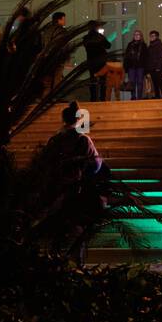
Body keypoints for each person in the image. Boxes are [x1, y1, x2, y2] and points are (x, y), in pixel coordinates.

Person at [43, 101, 108, 263]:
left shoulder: (55, 140)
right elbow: (95, 164)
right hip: (77, 190)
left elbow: (45, 163)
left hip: (57, 190)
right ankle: (76, 265)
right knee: (76, 229)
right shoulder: (82, 139)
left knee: (56, 229)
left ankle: (53, 262)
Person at [42, 11, 70, 96]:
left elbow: (43, 44)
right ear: (59, 19)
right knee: (56, 81)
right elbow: (64, 45)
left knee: (47, 82)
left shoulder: (46, 30)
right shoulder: (61, 31)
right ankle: (54, 99)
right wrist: (67, 59)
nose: (65, 21)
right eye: (64, 19)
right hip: (58, 59)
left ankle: (45, 99)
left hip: (46, 59)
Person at [83, 20, 111, 102]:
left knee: (93, 81)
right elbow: (108, 45)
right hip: (101, 61)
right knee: (103, 81)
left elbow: (86, 47)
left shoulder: (86, 38)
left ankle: (93, 98)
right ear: (96, 27)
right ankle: (103, 98)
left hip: (91, 62)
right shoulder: (100, 37)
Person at [124, 29, 148, 101]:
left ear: (141, 36)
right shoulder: (130, 44)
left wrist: (146, 68)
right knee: (132, 83)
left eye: (138, 34)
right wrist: (126, 67)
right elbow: (126, 56)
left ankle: (139, 97)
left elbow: (146, 57)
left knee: (140, 82)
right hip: (131, 67)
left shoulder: (144, 45)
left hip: (140, 67)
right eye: (135, 34)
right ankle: (133, 97)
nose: (136, 36)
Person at [146, 30, 162, 99]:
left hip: (158, 67)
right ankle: (157, 96)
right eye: (150, 36)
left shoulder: (159, 45)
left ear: (157, 37)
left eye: (153, 36)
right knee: (155, 83)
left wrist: (158, 67)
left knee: (160, 82)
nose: (151, 37)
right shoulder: (150, 45)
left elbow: (161, 57)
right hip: (152, 67)